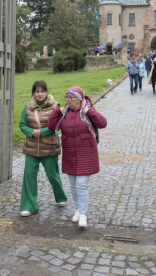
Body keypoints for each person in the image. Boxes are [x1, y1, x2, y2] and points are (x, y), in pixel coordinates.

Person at [48, 87, 107, 227]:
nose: (67, 101)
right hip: (70, 154)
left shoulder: (87, 110)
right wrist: (57, 111)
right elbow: (51, 126)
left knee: (81, 184)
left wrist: (90, 112)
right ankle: (78, 209)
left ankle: (83, 214)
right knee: (74, 185)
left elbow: (103, 123)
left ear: (79, 98)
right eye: (66, 97)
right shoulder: (65, 113)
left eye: (70, 97)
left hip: (86, 153)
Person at [19, 81, 67, 217]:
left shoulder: (55, 107)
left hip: (49, 147)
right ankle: (29, 206)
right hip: (31, 148)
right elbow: (22, 124)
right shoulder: (27, 107)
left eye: (42, 91)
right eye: (37, 91)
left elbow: (59, 125)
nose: (40, 94)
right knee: (29, 176)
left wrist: (43, 132)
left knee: (53, 176)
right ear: (33, 93)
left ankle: (60, 196)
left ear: (46, 92)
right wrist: (31, 131)